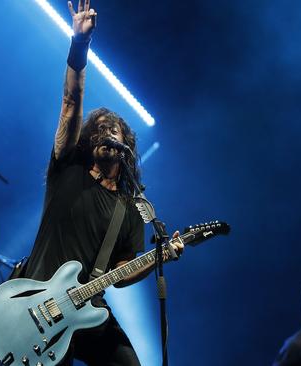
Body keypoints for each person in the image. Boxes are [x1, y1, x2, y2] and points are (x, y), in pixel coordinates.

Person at [21, 1, 183, 364]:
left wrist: (161, 256)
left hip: (88, 309)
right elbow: (70, 101)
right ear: (89, 140)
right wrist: (80, 43)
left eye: (116, 129)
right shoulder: (68, 169)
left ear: (126, 145)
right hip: (38, 305)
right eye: (101, 128)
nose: (108, 131)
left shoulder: (131, 207)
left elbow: (119, 275)